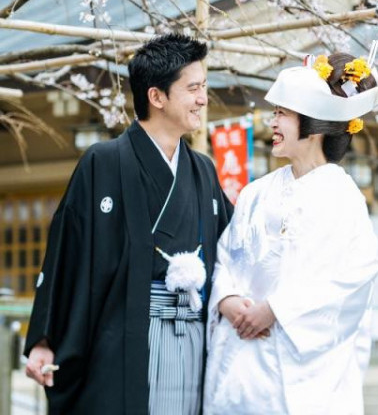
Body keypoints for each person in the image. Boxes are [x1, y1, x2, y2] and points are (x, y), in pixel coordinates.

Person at [24, 33, 232, 415]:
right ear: (157, 96)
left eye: (203, 87)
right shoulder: (103, 162)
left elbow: (232, 250)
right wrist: (44, 337)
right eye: (194, 88)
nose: (203, 98)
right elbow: (65, 255)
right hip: (122, 340)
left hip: (194, 335)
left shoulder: (202, 169)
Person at [204, 51, 378, 415]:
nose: (272, 122)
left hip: (304, 371)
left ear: (313, 124)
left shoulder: (342, 196)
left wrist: (278, 309)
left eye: (282, 114)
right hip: (243, 362)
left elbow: (356, 274)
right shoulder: (255, 193)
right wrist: (227, 299)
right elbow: (227, 257)